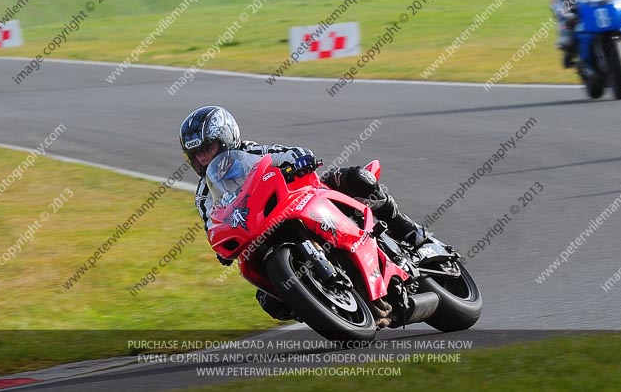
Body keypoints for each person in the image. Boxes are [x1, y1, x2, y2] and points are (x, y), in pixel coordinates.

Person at [178, 105, 432, 320]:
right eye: (196, 154)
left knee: (358, 178)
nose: (202, 159)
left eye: (207, 149)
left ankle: (407, 229)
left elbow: (291, 153)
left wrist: (300, 159)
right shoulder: (203, 193)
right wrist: (221, 248)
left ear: (225, 140)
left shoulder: (250, 151)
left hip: (303, 199)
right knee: (269, 300)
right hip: (263, 228)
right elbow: (212, 224)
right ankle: (322, 308)